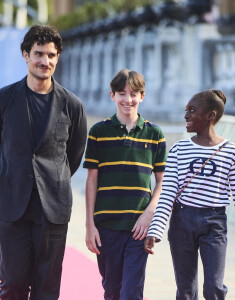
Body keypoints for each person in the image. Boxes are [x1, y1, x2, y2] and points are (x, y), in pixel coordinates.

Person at [0, 25, 87, 300]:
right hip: (11, 207)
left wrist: (50, 177)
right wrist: (18, 171)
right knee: (12, 284)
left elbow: (73, 156)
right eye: (39, 54)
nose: (46, 61)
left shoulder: (72, 105)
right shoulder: (2, 100)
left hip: (52, 208)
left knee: (47, 288)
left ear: (58, 57)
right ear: (25, 55)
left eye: (52, 55)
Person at [144, 90, 235, 299]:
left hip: (214, 224)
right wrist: (155, 230)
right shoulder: (179, 150)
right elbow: (168, 192)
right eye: (186, 110)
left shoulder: (231, 152)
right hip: (181, 222)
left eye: (192, 110)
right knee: (186, 290)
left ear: (210, 116)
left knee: (213, 288)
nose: (186, 115)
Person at [83, 69, 167, 300]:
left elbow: (162, 181)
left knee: (131, 292)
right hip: (106, 225)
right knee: (112, 290)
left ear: (142, 96)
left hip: (138, 227)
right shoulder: (98, 132)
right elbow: (91, 181)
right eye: (122, 93)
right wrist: (90, 225)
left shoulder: (154, 134)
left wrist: (149, 213)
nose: (127, 100)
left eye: (134, 94)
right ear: (112, 95)